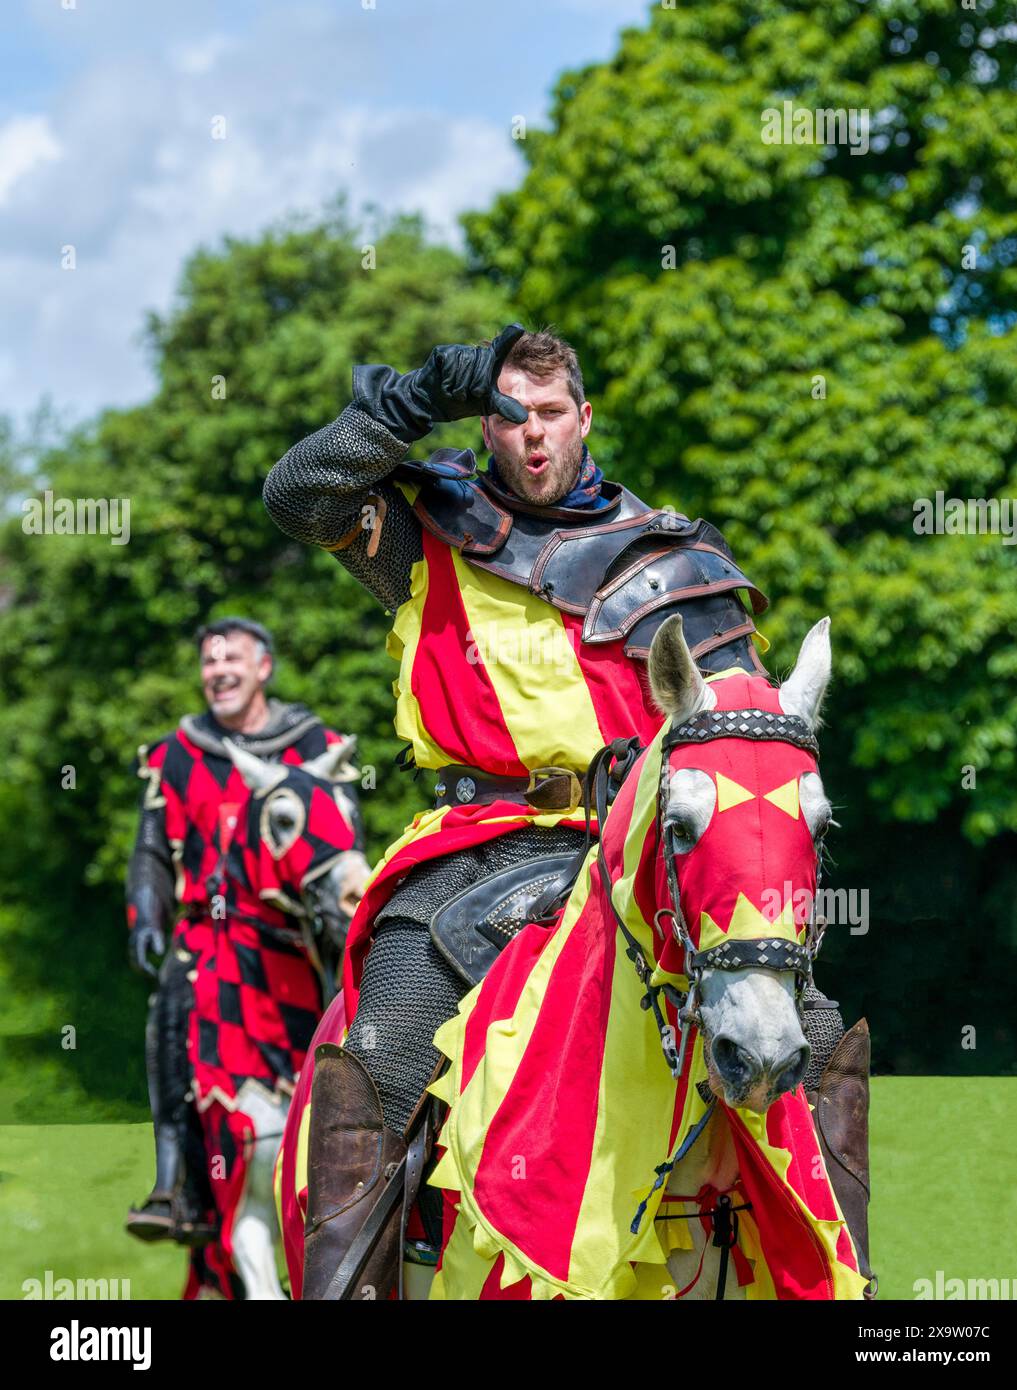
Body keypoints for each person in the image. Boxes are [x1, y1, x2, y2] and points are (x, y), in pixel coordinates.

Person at [263, 324, 869, 1297]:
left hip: (644, 845)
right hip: (479, 850)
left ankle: (850, 1288)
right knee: (384, 1055)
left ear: (582, 418)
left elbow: (740, 744)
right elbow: (297, 495)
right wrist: (417, 397)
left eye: (549, 413)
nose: (532, 435)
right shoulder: (433, 531)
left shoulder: (672, 560)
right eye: (510, 416)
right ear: (487, 426)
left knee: (818, 1032)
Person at [124, 617, 352, 1248]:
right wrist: (146, 913)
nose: (217, 671)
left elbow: (341, 839)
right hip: (205, 945)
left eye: (231, 659)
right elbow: (149, 850)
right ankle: (179, 1189)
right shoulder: (177, 753)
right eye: (208, 662)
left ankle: (365, 1168)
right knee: (169, 1020)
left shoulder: (312, 745)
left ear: (263, 667)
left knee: (351, 1029)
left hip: (293, 946)